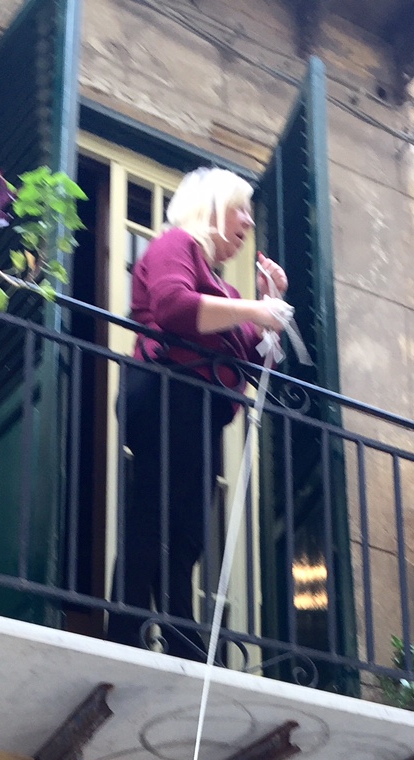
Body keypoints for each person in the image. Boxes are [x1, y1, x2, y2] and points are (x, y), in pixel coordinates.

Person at [109, 167, 291, 657]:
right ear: (212, 207)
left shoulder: (227, 293)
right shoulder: (176, 244)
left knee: (187, 528)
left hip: (202, 410)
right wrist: (255, 311)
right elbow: (174, 306)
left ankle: (177, 631)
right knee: (153, 513)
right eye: (241, 210)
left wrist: (270, 304)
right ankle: (126, 630)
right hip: (168, 392)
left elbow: (260, 362)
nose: (248, 222)